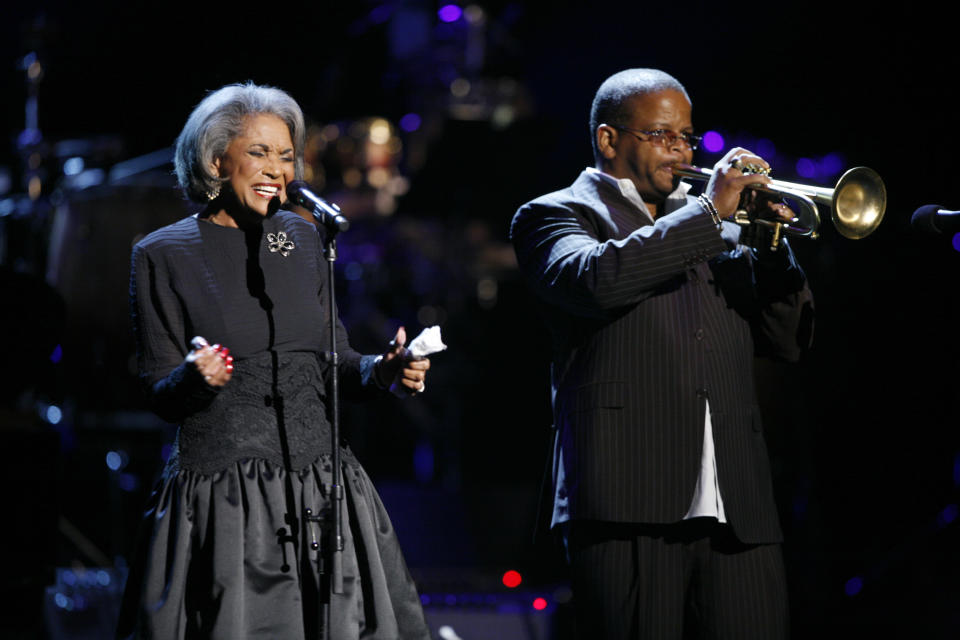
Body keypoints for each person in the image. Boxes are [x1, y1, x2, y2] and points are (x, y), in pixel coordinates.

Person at [117, 83, 432, 640]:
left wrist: (384, 369)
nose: (277, 168)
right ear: (217, 159)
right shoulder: (162, 254)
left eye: (286, 155)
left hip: (323, 489)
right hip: (227, 501)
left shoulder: (308, 239)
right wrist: (195, 379)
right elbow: (158, 394)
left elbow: (334, 366)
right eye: (259, 152)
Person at [510, 68, 814, 638]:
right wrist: (708, 213)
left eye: (687, 137)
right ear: (609, 139)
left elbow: (786, 342)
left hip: (736, 502)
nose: (680, 150)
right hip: (627, 495)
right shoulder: (554, 215)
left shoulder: (719, 228)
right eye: (661, 135)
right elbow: (596, 281)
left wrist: (772, 253)